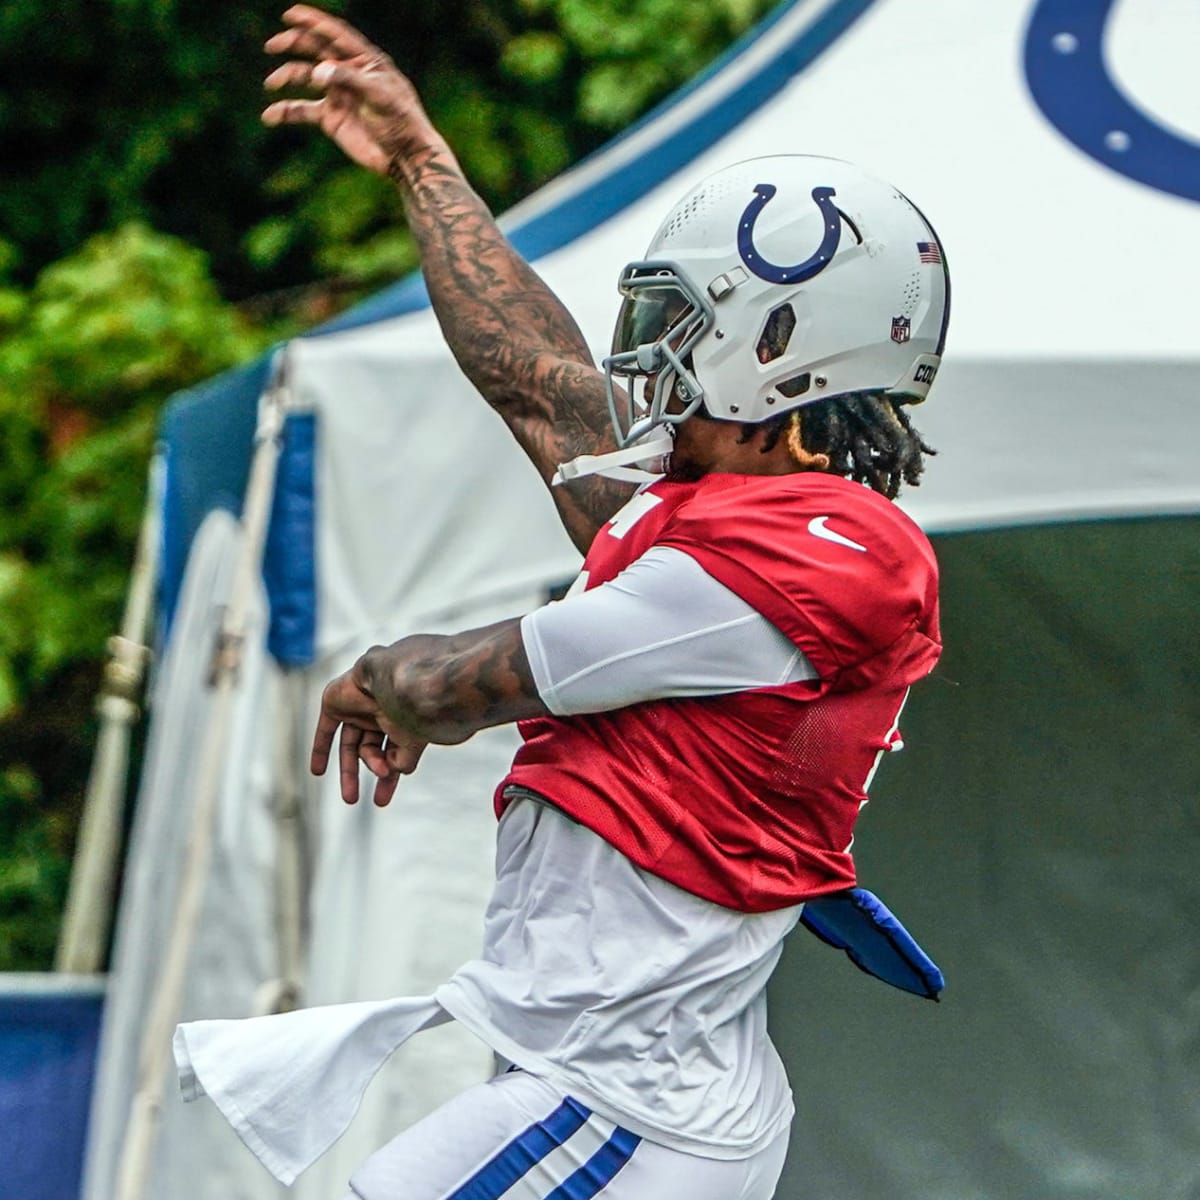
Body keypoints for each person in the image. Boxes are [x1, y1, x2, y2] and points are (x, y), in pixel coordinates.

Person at [173, 6, 950, 1198]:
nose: (654, 359)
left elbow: (447, 687)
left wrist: (381, 674)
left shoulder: (794, 566)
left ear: (787, 354)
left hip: (626, 1102)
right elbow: (543, 391)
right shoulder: (734, 520)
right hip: (623, 1092)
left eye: (688, 327)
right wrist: (423, 164)